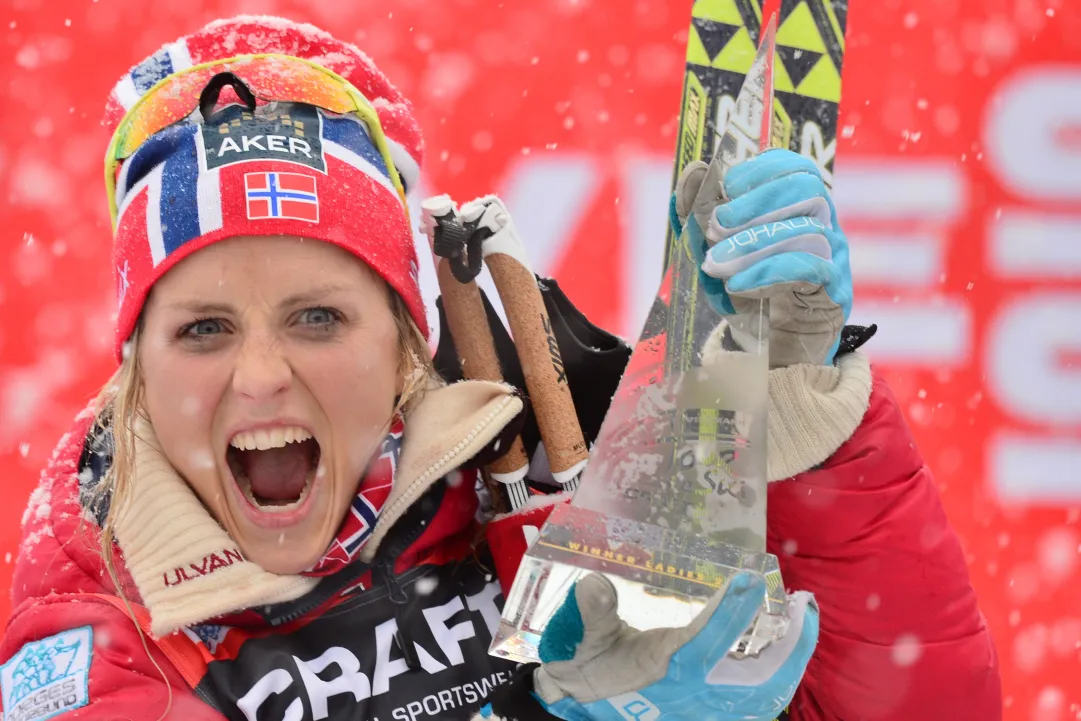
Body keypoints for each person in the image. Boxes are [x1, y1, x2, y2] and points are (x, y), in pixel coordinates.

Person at [0, 15, 1001, 721]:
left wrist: (797, 429)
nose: (259, 374)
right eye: (204, 329)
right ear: (134, 365)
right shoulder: (97, 625)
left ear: (403, 337)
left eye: (318, 317)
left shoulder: (534, 441)